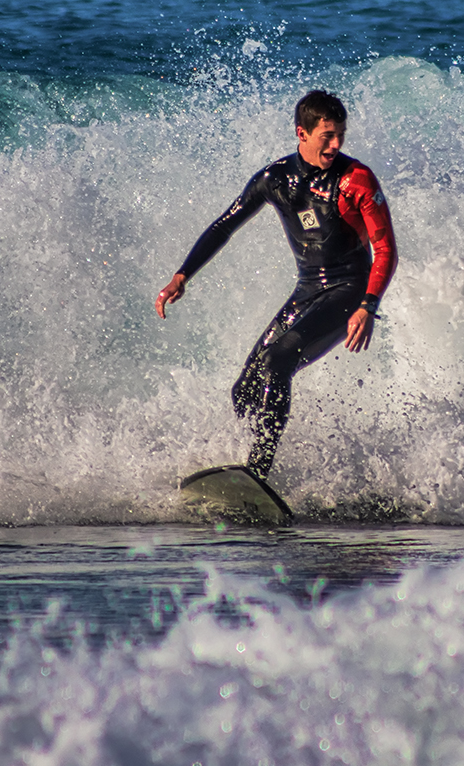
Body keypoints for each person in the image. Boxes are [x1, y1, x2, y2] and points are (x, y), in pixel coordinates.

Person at [155, 90, 398, 478]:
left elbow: (385, 249)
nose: (335, 145)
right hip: (306, 291)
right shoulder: (276, 178)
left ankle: (259, 470)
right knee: (245, 391)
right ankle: (249, 471)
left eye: (341, 135)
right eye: (327, 136)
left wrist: (368, 305)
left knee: (277, 360)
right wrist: (183, 274)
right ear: (301, 133)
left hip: (349, 290)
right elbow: (225, 225)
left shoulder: (356, 180)